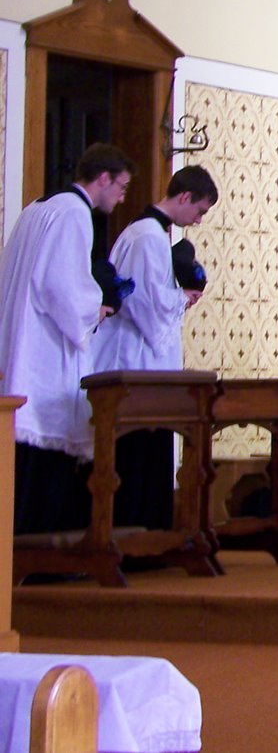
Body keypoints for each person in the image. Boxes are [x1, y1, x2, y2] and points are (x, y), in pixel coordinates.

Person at [0, 143, 135, 534]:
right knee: (47, 455)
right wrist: (97, 305)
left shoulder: (38, 208)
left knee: (24, 462)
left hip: (24, 343)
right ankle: (40, 552)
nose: (122, 196)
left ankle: (20, 549)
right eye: (122, 187)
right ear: (103, 178)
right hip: (45, 353)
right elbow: (61, 287)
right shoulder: (74, 214)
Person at [89, 165, 217, 530]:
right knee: (137, 449)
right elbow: (145, 304)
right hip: (135, 357)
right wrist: (184, 298)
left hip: (143, 357)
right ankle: (137, 532)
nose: (198, 219)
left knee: (149, 444)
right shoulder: (147, 236)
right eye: (200, 210)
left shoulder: (151, 234)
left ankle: (149, 530)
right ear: (184, 197)